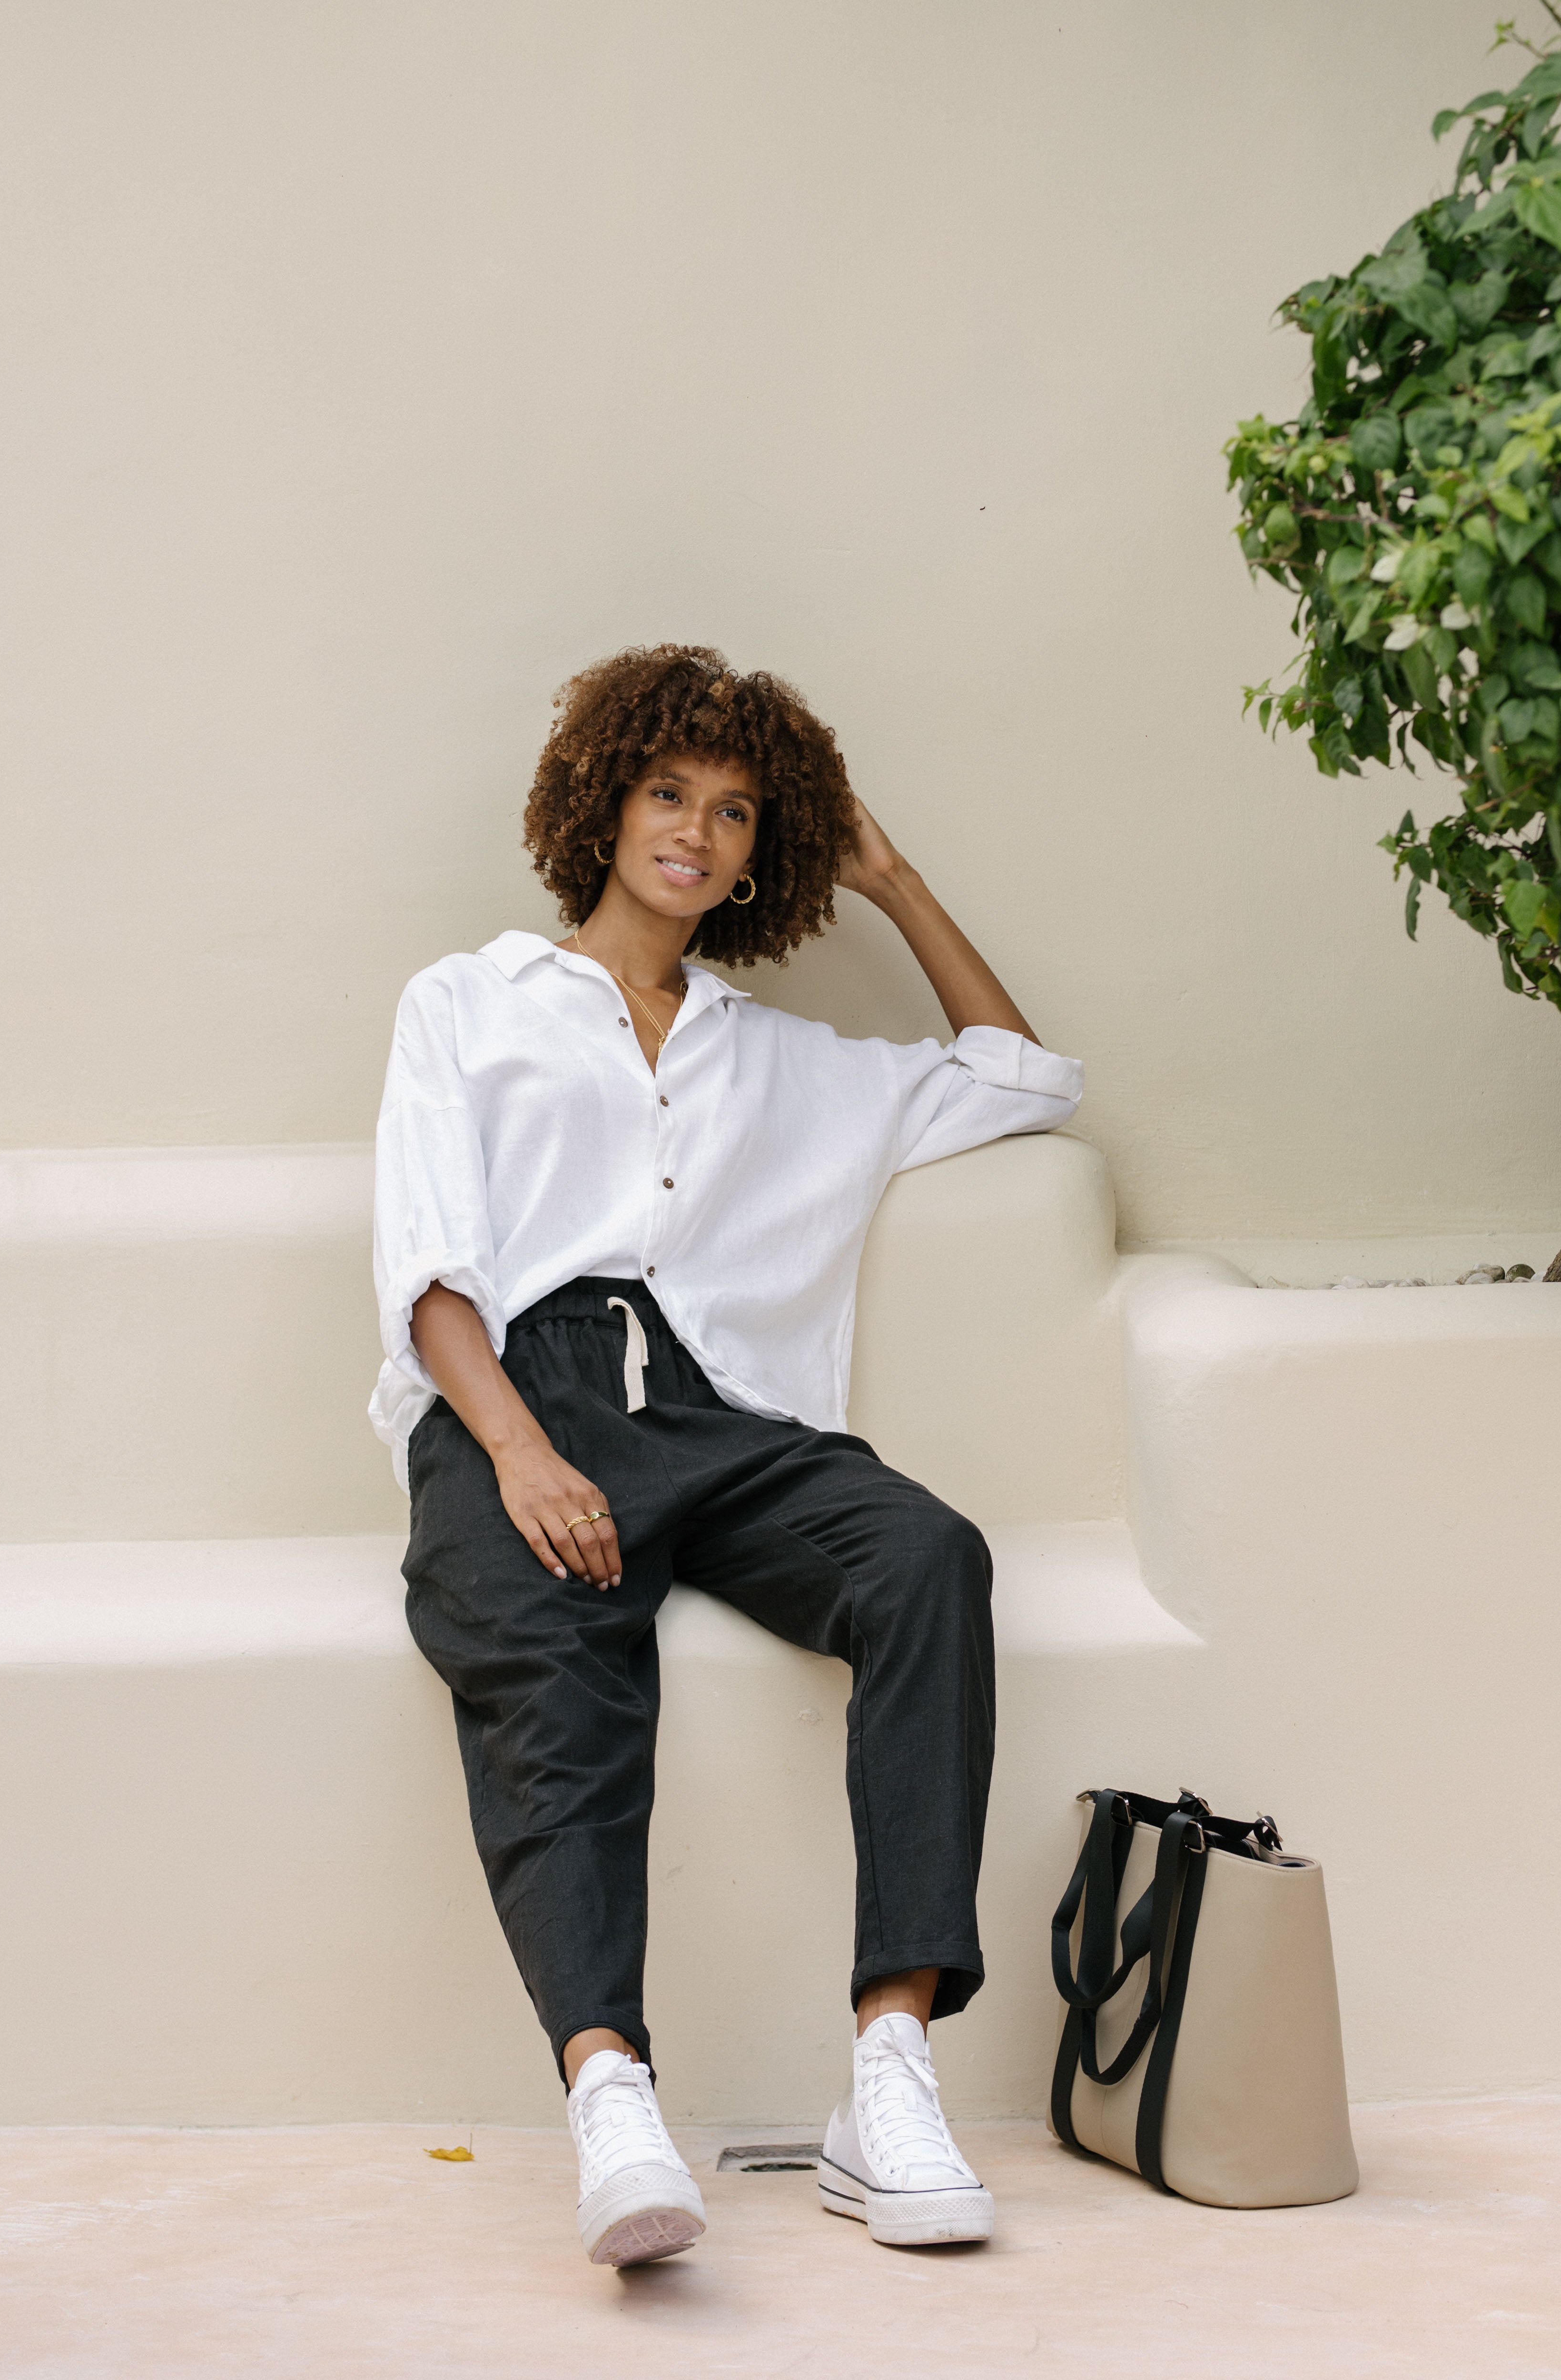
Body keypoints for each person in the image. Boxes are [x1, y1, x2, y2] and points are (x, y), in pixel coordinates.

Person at [370, 645, 1082, 2268]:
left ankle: (890, 2073)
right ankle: (609, 2090)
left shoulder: (781, 1056)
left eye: (739, 811)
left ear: (768, 851)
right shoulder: (470, 1001)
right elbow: (429, 1265)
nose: (695, 829)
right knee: (552, 1659)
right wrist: (519, 1453)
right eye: (668, 791)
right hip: (517, 1391)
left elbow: (1025, 1078)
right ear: (604, 802)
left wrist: (889, 878)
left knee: (927, 1556)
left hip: (724, 1414)